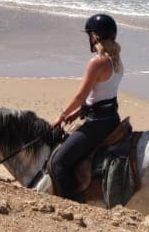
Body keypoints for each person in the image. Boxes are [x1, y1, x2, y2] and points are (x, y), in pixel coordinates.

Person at [46, 13, 125, 199]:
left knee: (59, 163)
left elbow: (80, 95)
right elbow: (104, 96)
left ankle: (73, 203)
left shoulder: (97, 63)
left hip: (97, 124)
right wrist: (79, 112)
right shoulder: (117, 61)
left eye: (89, 35)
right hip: (111, 119)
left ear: (94, 36)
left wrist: (62, 116)